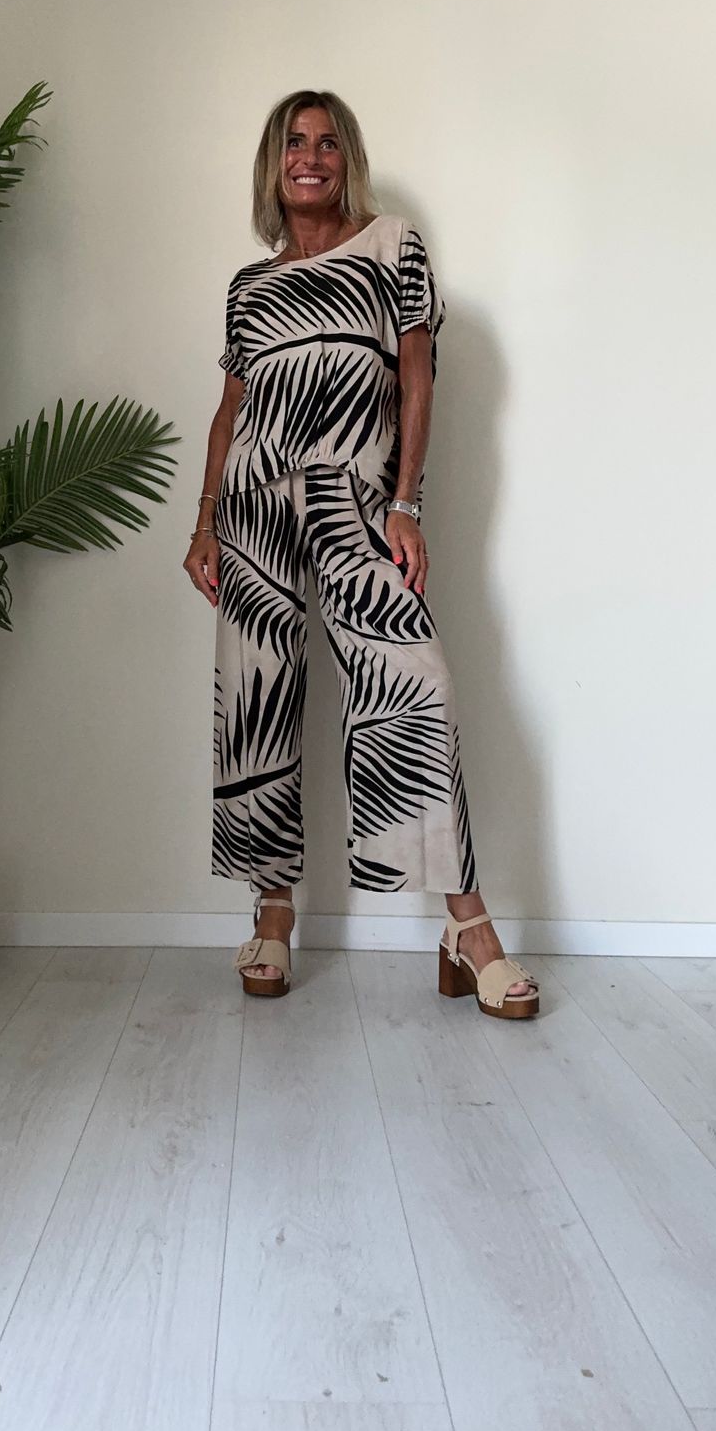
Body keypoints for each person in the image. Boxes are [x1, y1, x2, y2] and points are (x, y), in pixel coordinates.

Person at [183, 89, 538, 1021]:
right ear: (273, 164)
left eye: (328, 142)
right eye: (294, 142)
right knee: (257, 702)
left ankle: (466, 929)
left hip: (357, 499)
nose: (311, 156)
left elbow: (417, 372)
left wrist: (405, 502)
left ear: (348, 161)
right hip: (255, 502)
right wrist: (204, 520)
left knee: (413, 687)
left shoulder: (392, 246)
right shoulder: (248, 286)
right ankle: (271, 910)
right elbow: (230, 409)